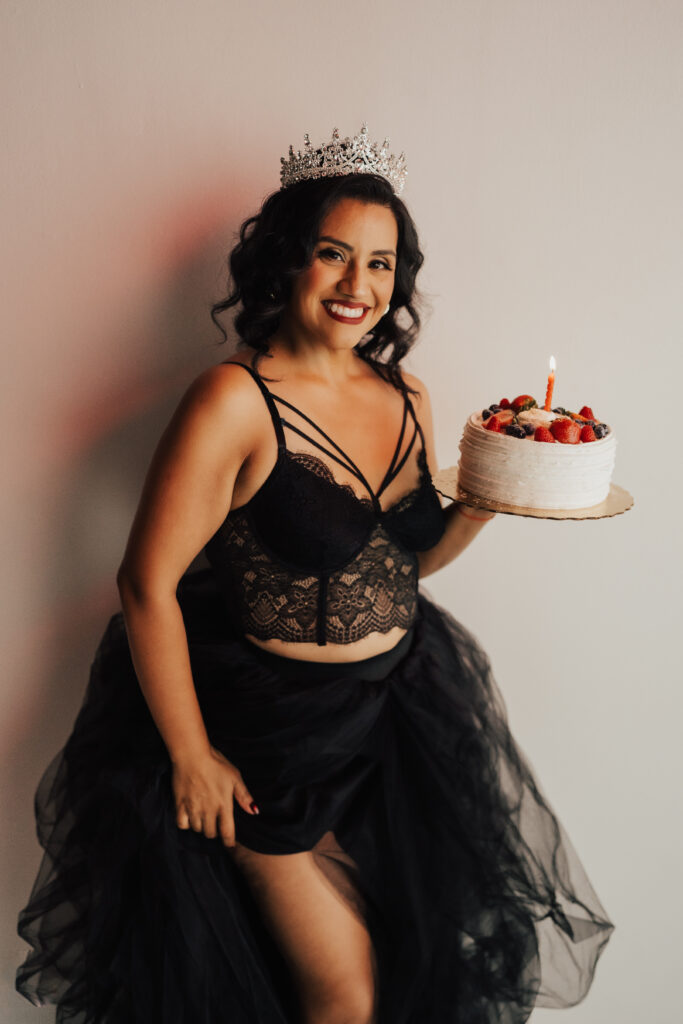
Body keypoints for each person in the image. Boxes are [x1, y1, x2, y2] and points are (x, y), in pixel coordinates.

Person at [16, 126, 614, 1024]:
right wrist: (189, 753)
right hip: (265, 744)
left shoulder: (405, 398)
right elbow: (146, 583)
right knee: (346, 993)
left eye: (379, 265)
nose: (355, 286)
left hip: (386, 730)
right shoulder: (233, 401)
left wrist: (485, 502)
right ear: (286, 261)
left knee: (409, 967)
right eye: (333, 255)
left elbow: (405, 561)